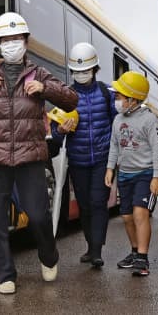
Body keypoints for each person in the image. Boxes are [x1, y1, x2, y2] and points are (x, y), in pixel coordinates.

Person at [0, 12, 78, 294]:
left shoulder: (38, 73)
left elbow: (71, 98)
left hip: (30, 156)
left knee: (38, 215)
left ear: (26, 42)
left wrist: (46, 88)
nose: (11, 44)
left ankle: (48, 256)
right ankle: (4, 275)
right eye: (5, 40)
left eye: (17, 39)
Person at [50, 42, 117, 268]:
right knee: (85, 205)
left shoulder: (107, 94)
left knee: (98, 203)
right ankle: (90, 246)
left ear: (95, 69)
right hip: (77, 161)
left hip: (102, 159)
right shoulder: (65, 97)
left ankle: (97, 251)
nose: (81, 75)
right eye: (77, 72)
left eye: (85, 71)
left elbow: (117, 125)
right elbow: (55, 134)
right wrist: (60, 130)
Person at [104, 71, 158, 276]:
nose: (116, 100)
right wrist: (110, 168)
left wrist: (157, 176)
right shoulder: (117, 120)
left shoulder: (150, 120)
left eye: (119, 96)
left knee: (140, 214)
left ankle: (143, 259)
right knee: (127, 217)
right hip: (125, 175)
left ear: (132, 98)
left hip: (145, 174)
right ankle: (134, 252)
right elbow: (114, 146)